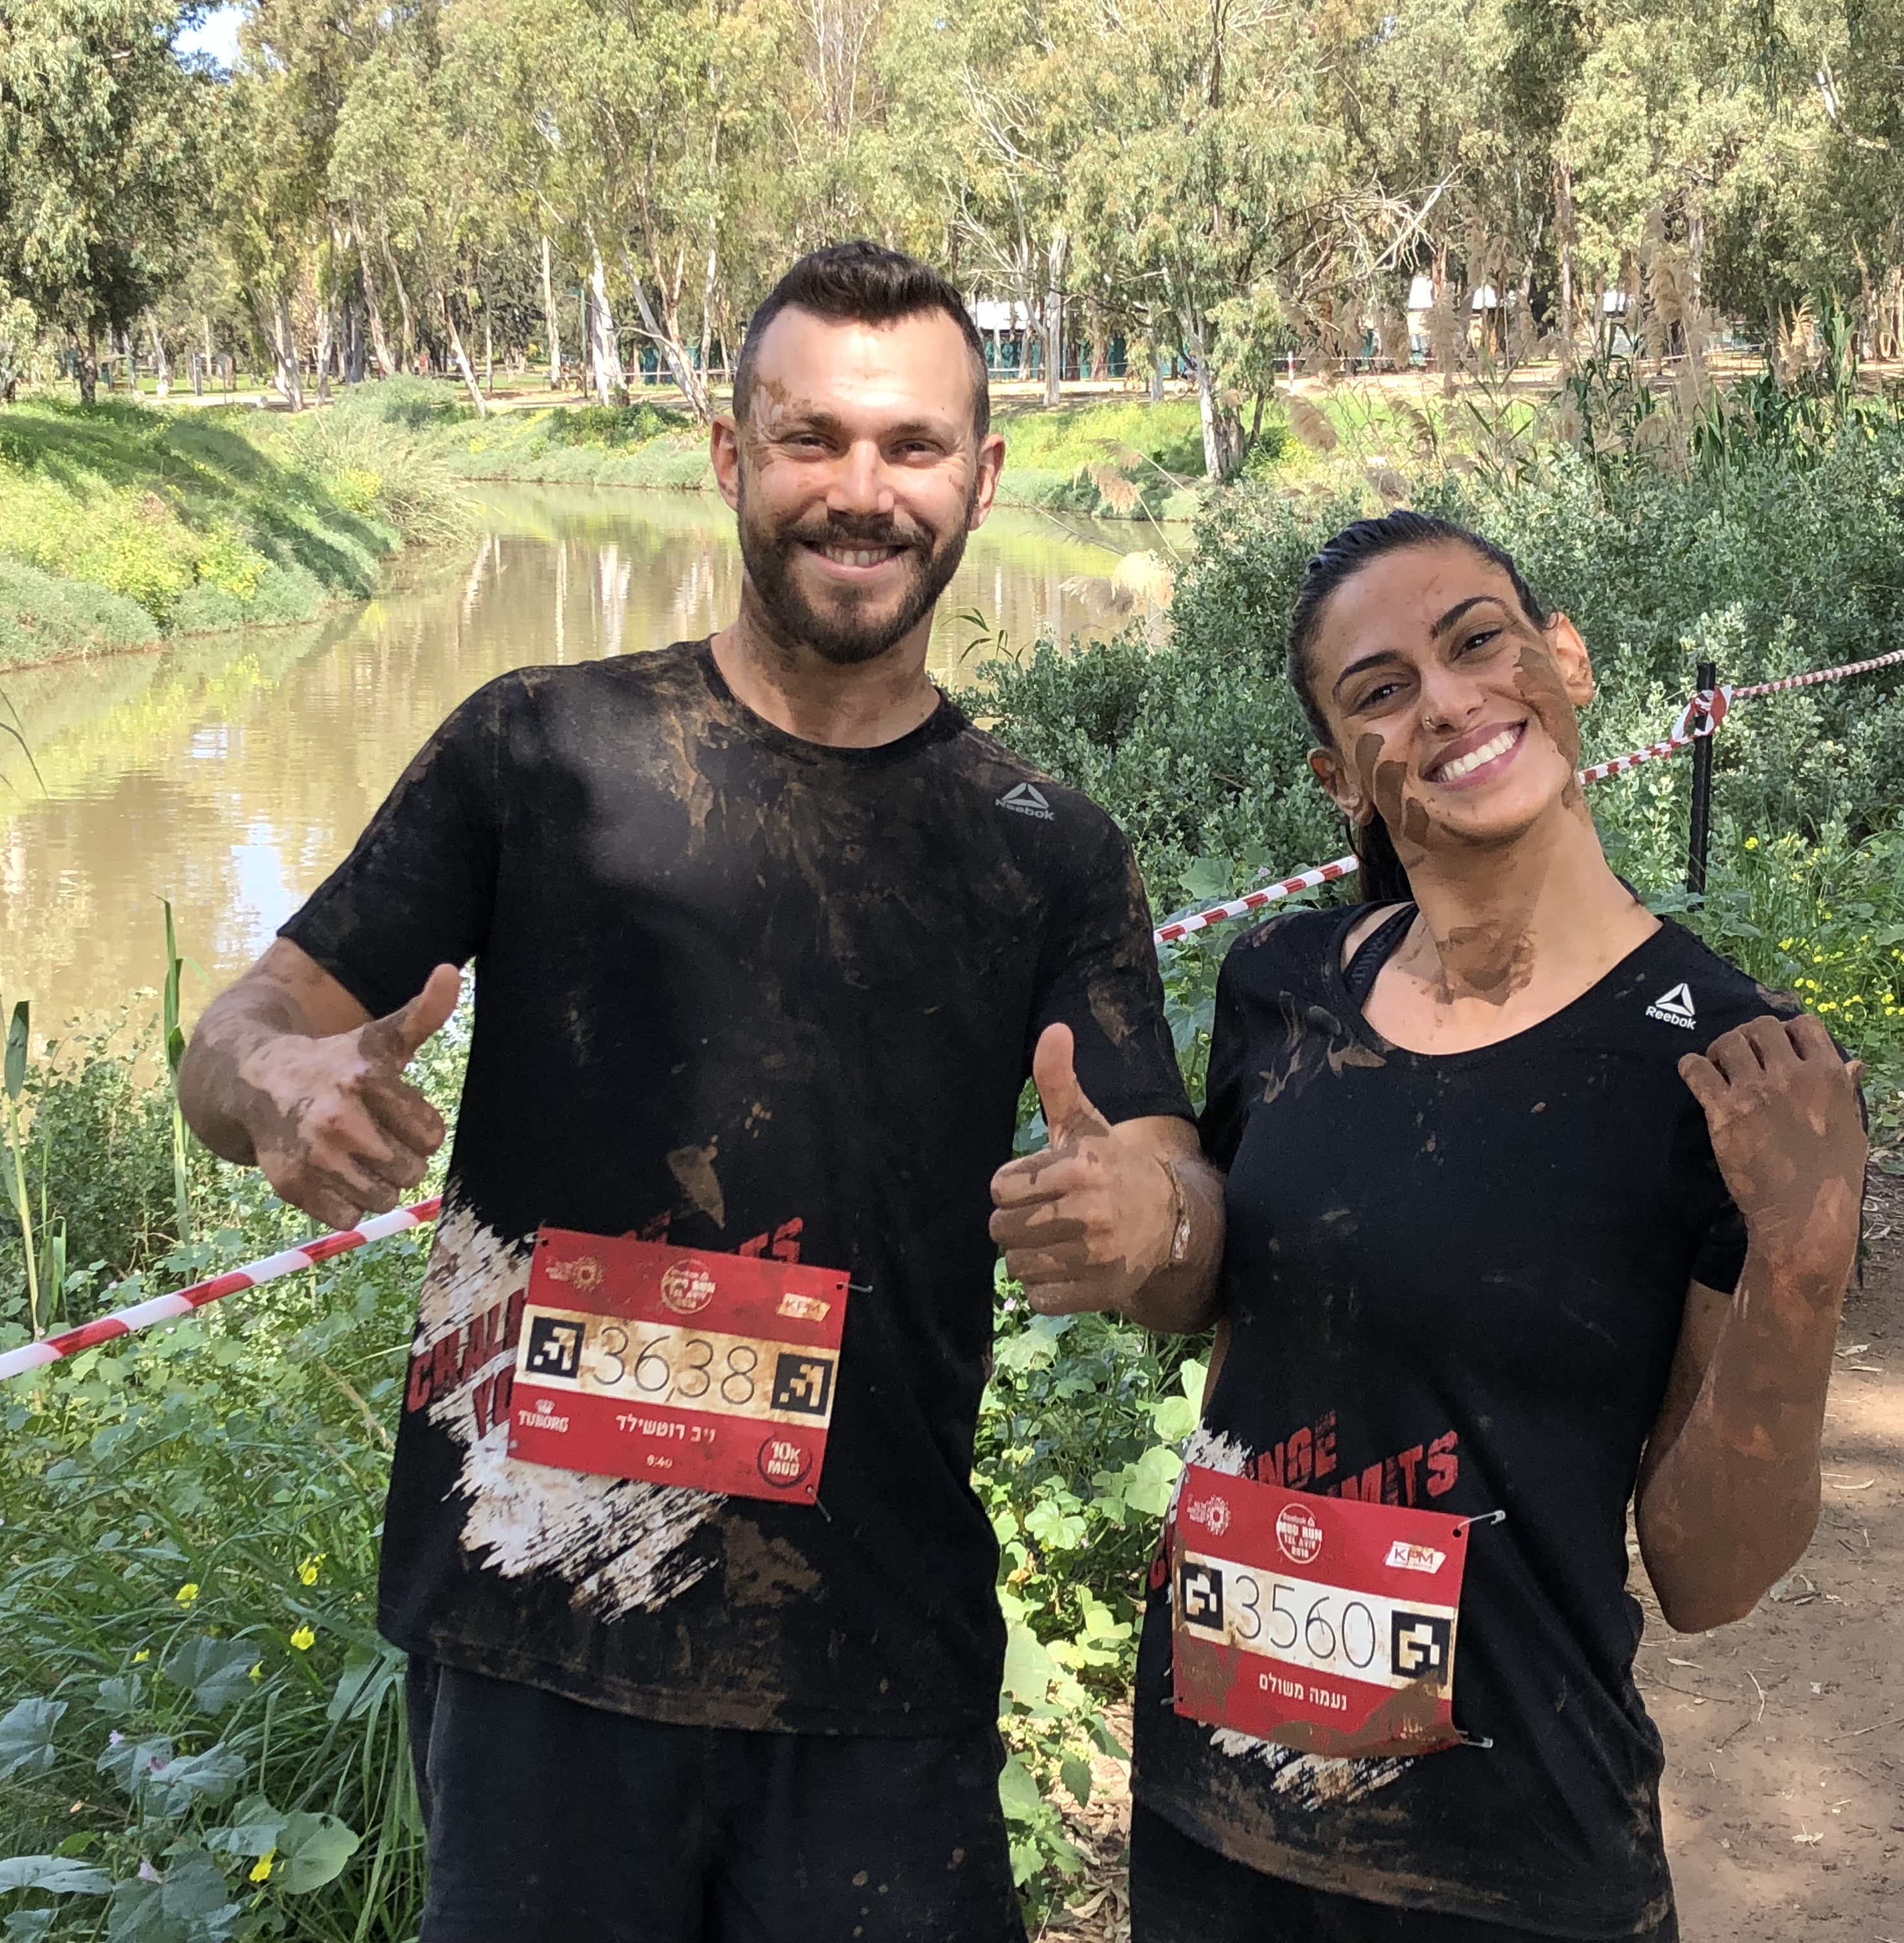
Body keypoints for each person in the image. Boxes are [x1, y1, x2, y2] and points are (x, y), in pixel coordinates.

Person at [177, 242, 1218, 1943]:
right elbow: (238, 1033)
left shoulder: (1050, 853)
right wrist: (277, 1078)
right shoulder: (539, 753)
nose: (860, 491)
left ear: (982, 479)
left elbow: (1173, 1204)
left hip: (880, 1673)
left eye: (912, 446)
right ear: (731, 458)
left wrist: (1149, 1218)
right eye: (812, 438)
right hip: (536, 1642)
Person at [990, 511, 1867, 1941]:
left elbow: (1711, 1575)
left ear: (1564, 662)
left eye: (1477, 642)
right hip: (1217, 1802)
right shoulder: (1285, 983)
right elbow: (1221, 1281)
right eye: (1380, 689)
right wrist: (1137, 1223)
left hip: (1513, 1859)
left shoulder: (1731, 1070)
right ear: (1341, 777)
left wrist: (1803, 1265)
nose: (1447, 701)